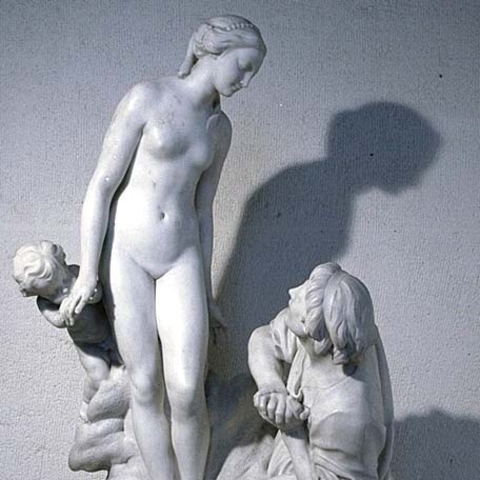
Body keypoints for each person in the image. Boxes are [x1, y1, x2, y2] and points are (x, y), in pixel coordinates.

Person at [60, 15, 266, 480]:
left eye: (253, 73)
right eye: (243, 66)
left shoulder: (220, 129)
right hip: (127, 255)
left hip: (181, 256)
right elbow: (101, 186)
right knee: (145, 384)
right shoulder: (147, 98)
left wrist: (208, 296)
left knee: (187, 388)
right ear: (216, 50)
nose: (246, 81)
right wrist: (89, 270)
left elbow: (204, 210)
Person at [248, 263, 394, 480]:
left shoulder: (346, 420)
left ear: (308, 327)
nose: (292, 291)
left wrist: (293, 433)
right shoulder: (341, 328)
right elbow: (264, 338)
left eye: (300, 297)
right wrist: (272, 386)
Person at [12, 241, 117, 411]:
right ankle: (87, 401)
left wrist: (89, 295)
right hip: (87, 346)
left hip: (111, 332)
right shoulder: (44, 303)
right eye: (54, 293)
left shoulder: (76, 273)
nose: (65, 291)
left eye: (65, 282)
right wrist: (65, 312)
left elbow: (98, 290)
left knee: (129, 365)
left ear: (64, 264)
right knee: (99, 377)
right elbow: (57, 321)